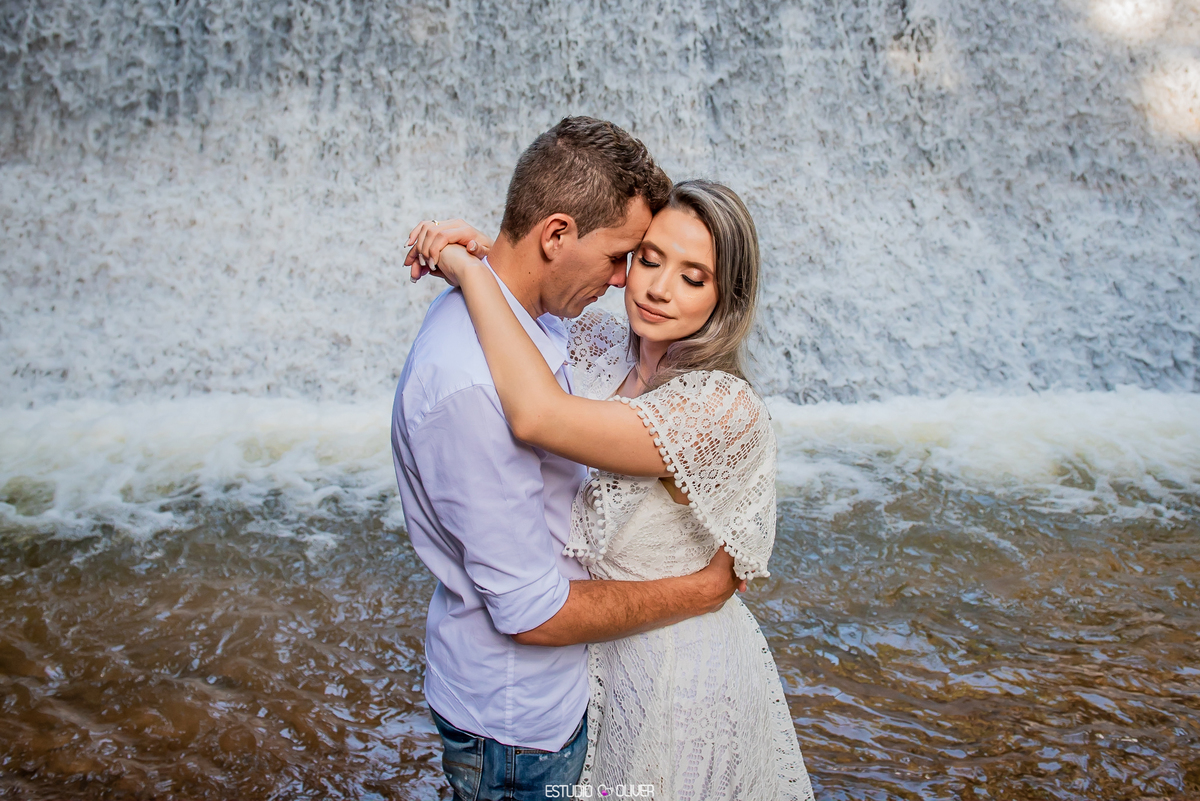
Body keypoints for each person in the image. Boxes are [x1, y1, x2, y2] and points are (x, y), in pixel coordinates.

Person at [407, 179, 815, 800]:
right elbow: (538, 289)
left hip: (677, 681)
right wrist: (493, 255)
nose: (658, 288)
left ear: (727, 297)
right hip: (590, 663)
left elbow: (539, 416)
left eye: (693, 277)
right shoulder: (598, 342)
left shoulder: (722, 410)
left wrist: (468, 268)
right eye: (648, 259)